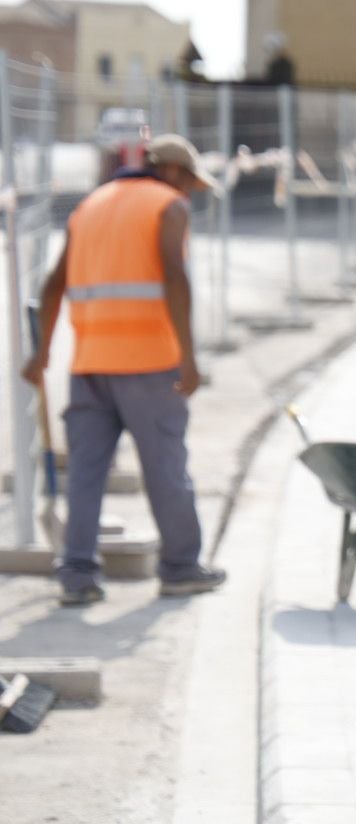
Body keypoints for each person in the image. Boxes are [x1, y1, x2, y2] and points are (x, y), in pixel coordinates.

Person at [23, 135, 229, 606]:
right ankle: (180, 567)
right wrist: (189, 359)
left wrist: (43, 354)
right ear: (173, 173)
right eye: (190, 184)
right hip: (149, 363)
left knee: (86, 472)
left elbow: (54, 286)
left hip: (91, 363)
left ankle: (77, 573)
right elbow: (175, 279)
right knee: (165, 468)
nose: (190, 195)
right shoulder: (167, 206)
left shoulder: (90, 206)